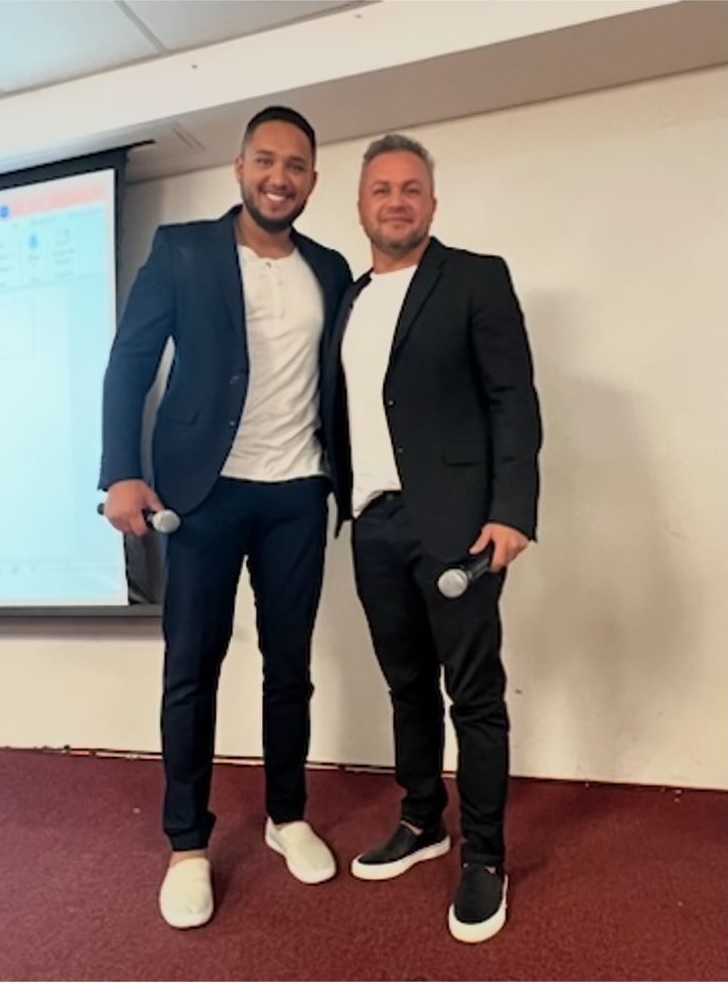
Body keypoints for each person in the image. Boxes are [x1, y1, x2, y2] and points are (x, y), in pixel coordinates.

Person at [99, 106, 352, 929]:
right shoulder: (183, 250)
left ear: (312, 180)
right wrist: (121, 473)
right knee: (191, 667)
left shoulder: (329, 267)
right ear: (240, 167)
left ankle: (287, 816)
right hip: (200, 497)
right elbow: (131, 362)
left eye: (297, 166)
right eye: (266, 160)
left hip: (296, 493)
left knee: (291, 666)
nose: (280, 177)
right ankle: (187, 844)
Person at [321, 134, 542, 944]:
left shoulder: (476, 277)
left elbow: (513, 398)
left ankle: (484, 854)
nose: (396, 201)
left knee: (473, 694)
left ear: (432, 203)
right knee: (405, 684)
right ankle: (422, 820)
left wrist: (513, 511)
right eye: (381, 189)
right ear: (360, 206)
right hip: (373, 522)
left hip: (458, 522)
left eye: (411, 188)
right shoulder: (347, 301)